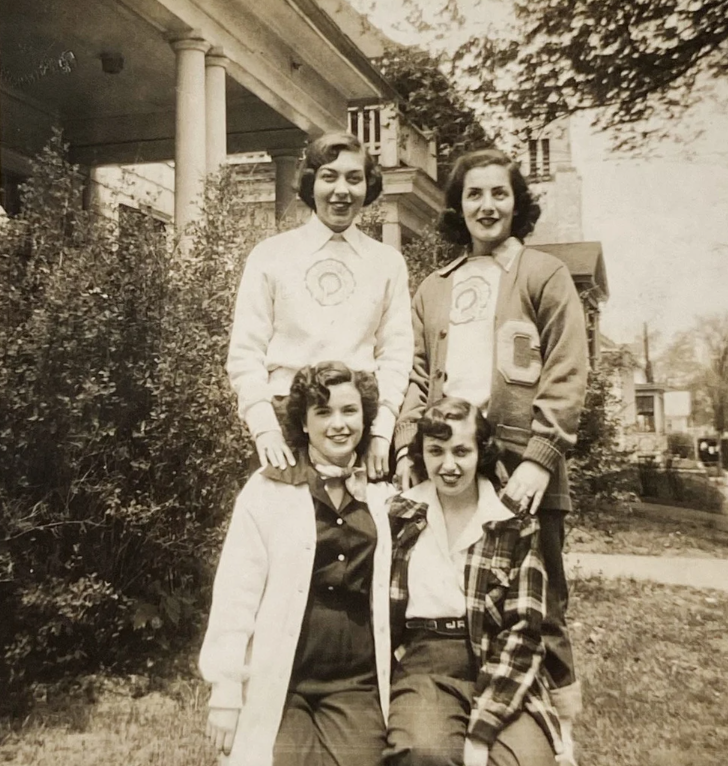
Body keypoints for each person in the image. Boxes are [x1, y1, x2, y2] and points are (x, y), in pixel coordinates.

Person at [393, 148, 588, 756]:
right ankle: (447, 695)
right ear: (457, 207)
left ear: (517, 202)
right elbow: (416, 374)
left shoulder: (542, 273)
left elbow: (566, 367)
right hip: (453, 455)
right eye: (474, 195)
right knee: (462, 575)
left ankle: (555, 721)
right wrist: (406, 444)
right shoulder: (435, 286)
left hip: (522, 457)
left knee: (540, 593)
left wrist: (539, 454)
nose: (486, 205)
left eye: (498, 193)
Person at [200, 361, 393, 766]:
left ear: (366, 417)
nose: (338, 424)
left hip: (355, 683)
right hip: (285, 678)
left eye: (349, 411)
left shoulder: (382, 493)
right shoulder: (269, 488)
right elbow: (237, 593)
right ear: (304, 424)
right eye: (323, 412)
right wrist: (226, 688)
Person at [387, 397, 567, 766]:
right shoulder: (397, 516)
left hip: (499, 662)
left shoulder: (512, 523)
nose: (448, 465)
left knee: (527, 761)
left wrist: (482, 732)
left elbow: (523, 631)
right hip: (425, 666)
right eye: (435, 451)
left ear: (481, 452)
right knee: (425, 754)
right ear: (421, 453)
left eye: (461, 451)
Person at [227, 132, 413, 480]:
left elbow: (397, 355)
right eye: (329, 176)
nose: (342, 190)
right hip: (286, 424)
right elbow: (245, 353)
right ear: (311, 183)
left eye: (354, 178)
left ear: (367, 187)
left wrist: (381, 431)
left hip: (359, 427)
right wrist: (264, 427)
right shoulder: (271, 255)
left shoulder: (387, 262)